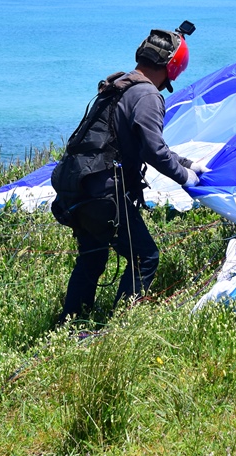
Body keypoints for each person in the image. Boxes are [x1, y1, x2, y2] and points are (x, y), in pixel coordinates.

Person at [59, 25, 207, 324]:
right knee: (145, 257)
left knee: (92, 256)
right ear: (174, 66)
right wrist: (185, 178)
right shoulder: (148, 95)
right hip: (105, 194)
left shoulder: (117, 86)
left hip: (79, 186)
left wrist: (188, 163)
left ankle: (70, 322)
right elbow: (153, 150)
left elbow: (136, 143)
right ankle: (119, 327)